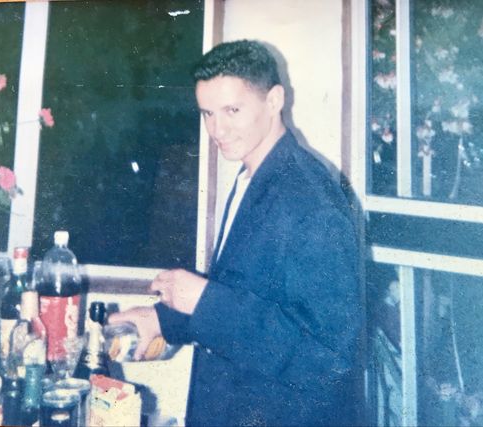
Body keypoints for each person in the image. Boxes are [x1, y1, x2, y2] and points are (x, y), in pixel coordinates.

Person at [109, 39, 363, 427]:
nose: (217, 129)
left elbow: (327, 358)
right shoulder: (252, 177)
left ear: (274, 100)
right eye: (207, 113)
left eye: (232, 110)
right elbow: (249, 296)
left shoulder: (310, 198)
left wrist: (204, 300)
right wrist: (162, 320)